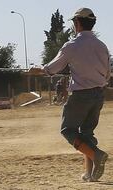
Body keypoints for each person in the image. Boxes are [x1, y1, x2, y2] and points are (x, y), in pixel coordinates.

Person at [29, 7, 110, 182]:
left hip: (80, 95)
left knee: (68, 130)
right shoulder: (102, 46)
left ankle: (97, 155)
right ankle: (90, 174)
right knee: (87, 133)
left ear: (77, 23)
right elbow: (107, 74)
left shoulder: (72, 46)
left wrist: (38, 70)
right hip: (98, 94)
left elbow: (52, 68)